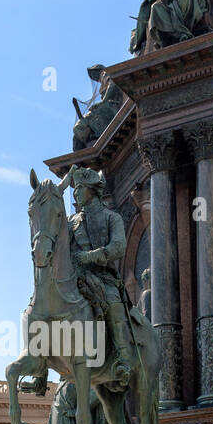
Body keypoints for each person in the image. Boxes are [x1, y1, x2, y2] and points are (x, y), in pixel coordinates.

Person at [66, 165, 132, 388]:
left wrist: (91, 256)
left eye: (79, 188)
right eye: (73, 189)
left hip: (103, 277)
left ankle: (124, 359)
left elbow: (119, 247)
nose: (75, 193)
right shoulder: (71, 222)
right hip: (76, 278)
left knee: (114, 304)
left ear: (92, 190)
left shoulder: (111, 217)